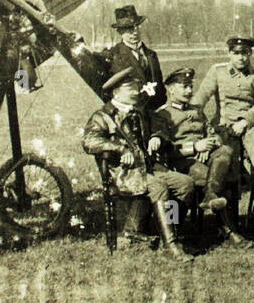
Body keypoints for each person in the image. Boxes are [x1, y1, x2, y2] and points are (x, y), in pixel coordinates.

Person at [82, 69, 194, 260]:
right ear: (116, 92)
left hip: (149, 168)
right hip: (125, 174)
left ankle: (168, 230)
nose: (136, 91)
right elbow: (89, 141)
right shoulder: (103, 116)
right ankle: (172, 246)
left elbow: (159, 127)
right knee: (158, 186)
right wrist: (119, 149)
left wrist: (158, 137)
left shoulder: (140, 112)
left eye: (136, 87)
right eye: (130, 88)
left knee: (185, 184)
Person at [191, 36, 254, 227]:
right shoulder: (217, 72)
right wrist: (193, 114)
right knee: (226, 158)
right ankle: (228, 213)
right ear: (229, 53)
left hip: (250, 125)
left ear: (250, 53)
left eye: (245, 53)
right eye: (236, 53)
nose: (241, 58)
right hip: (224, 124)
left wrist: (245, 121)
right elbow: (202, 96)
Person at [152, 66, 230, 239]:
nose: (189, 91)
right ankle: (226, 229)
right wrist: (195, 148)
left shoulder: (197, 110)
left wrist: (210, 144)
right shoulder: (162, 115)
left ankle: (211, 197)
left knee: (225, 151)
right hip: (180, 162)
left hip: (205, 156)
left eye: (190, 86)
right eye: (184, 86)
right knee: (209, 176)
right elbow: (166, 148)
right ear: (171, 89)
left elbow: (212, 133)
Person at [97, 5, 166, 109]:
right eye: (129, 29)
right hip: (128, 114)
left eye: (136, 27)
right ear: (120, 31)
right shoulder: (112, 55)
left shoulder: (151, 55)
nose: (135, 33)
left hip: (154, 114)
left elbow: (160, 88)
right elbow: (104, 90)